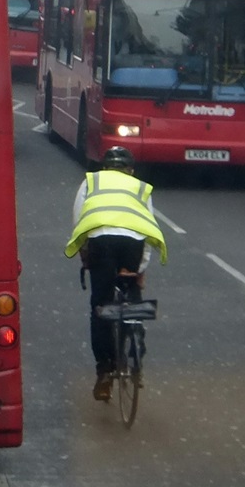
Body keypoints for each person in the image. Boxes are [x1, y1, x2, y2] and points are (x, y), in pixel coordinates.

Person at [64, 146, 167, 402]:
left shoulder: (91, 182)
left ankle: (105, 370)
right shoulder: (140, 187)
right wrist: (140, 270)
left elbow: (80, 221)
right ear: (130, 169)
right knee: (132, 296)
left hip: (102, 241)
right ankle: (135, 356)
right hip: (132, 243)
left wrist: (86, 256)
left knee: (100, 306)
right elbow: (146, 227)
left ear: (104, 167)